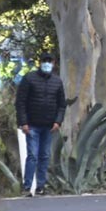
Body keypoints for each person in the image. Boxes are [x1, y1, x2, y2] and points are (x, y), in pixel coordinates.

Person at [15, 53, 65, 196]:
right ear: (40, 62)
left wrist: (58, 121)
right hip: (32, 126)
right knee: (32, 156)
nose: (47, 64)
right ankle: (27, 187)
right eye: (44, 61)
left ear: (54, 63)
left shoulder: (57, 81)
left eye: (50, 61)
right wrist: (23, 122)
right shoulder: (29, 78)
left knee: (44, 156)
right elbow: (20, 102)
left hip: (49, 126)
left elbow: (62, 104)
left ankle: (41, 187)